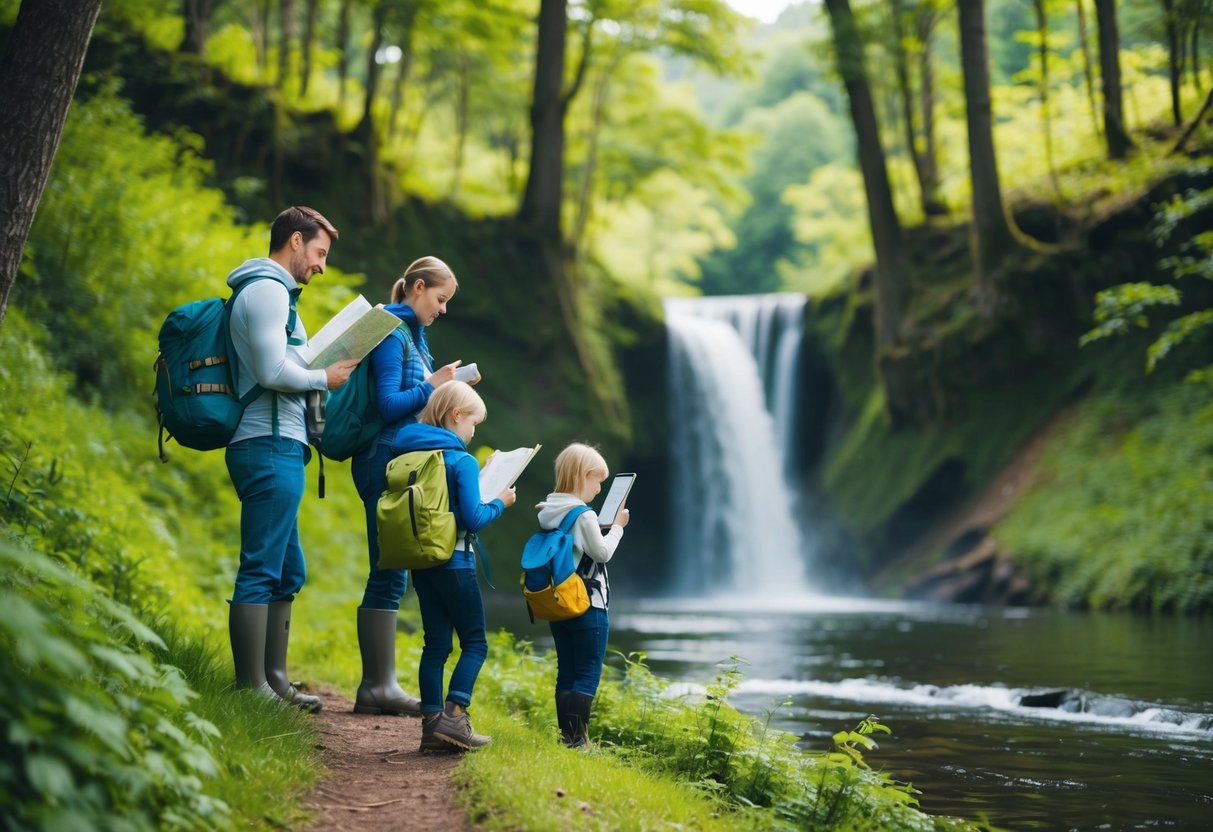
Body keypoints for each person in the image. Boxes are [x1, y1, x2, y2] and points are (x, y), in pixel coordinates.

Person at [225, 206, 359, 712]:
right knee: (261, 567)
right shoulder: (266, 290)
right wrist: (324, 378)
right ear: (296, 240)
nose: (322, 264)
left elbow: (286, 361)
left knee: (287, 571)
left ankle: (274, 680)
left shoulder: (283, 297)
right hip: (265, 444)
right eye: (320, 253)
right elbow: (268, 370)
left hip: (282, 444)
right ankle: (250, 687)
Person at [351, 256, 467, 716]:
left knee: (392, 571)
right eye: (440, 300)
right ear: (417, 288)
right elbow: (387, 403)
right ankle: (376, 686)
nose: (442, 310)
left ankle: (379, 684)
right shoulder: (388, 332)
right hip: (384, 460)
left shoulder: (411, 337)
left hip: (401, 462)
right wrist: (433, 388)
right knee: (387, 569)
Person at [389, 381, 515, 750]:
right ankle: (456, 718)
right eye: (473, 422)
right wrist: (500, 503)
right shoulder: (459, 459)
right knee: (475, 642)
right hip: (456, 561)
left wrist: (478, 478)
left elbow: (443, 504)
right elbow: (472, 518)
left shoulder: (407, 455)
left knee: (435, 645)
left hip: (421, 561)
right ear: (456, 415)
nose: (474, 430)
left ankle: (432, 726)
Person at [535, 443, 629, 747]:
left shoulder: (549, 509)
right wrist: (616, 528)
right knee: (588, 672)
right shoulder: (584, 514)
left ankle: (568, 737)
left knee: (567, 670)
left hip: (560, 601)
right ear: (583, 476)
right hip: (589, 603)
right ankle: (579, 741)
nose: (600, 488)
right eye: (597, 480)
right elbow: (601, 554)